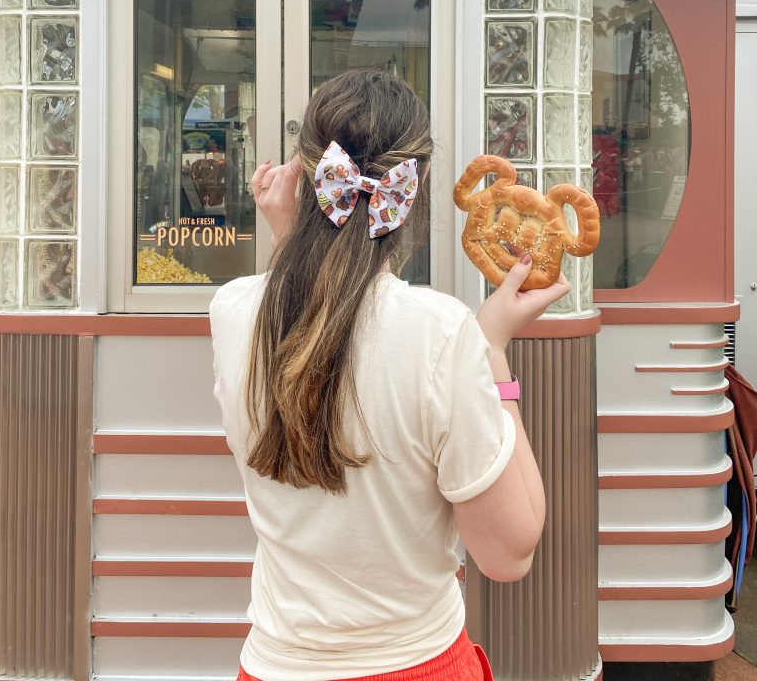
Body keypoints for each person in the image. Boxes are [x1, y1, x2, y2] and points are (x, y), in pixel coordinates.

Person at [209, 69, 569, 681]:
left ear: (305, 174)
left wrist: (285, 235)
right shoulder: (444, 333)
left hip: (274, 665)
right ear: (421, 181)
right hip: (416, 664)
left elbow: (302, 318)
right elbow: (509, 553)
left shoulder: (232, 312)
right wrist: (493, 349)